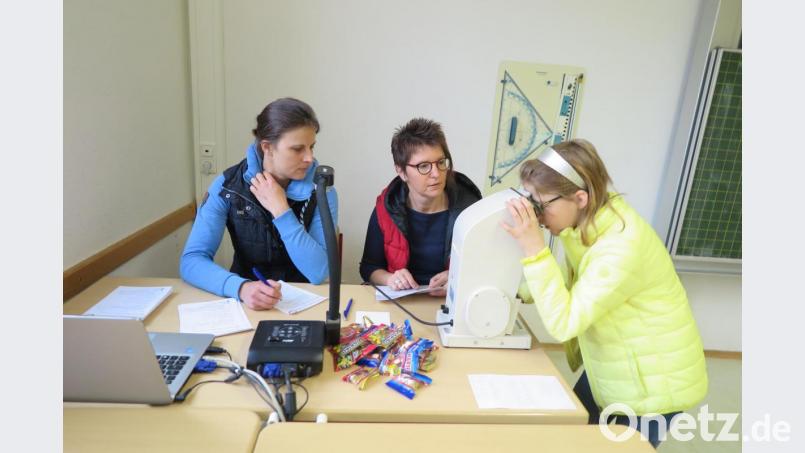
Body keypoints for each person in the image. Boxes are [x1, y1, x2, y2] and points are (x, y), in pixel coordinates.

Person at [501, 139, 707, 449]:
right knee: (573, 436)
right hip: (612, 365)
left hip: (651, 386)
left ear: (580, 197)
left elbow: (564, 323)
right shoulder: (590, 225)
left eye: (542, 204)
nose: (538, 216)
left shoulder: (621, 246)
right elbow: (575, 289)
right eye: (531, 200)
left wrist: (534, 249)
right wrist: (502, 289)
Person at [180, 97, 338, 311]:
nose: (309, 158)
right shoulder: (227, 186)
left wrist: (281, 210)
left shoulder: (323, 189)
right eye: (297, 149)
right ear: (267, 148)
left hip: (307, 304)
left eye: (311, 147)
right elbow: (191, 260)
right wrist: (241, 287)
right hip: (247, 303)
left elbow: (319, 272)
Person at [359, 118, 481, 296]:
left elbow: (485, 265)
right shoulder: (387, 207)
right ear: (401, 171)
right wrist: (390, 279)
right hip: (402, 303)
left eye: (440, 162)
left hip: (451, 302)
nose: (436, 174)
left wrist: (456, 277)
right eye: (423, 166)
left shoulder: (470, 209)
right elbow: (369, 268)